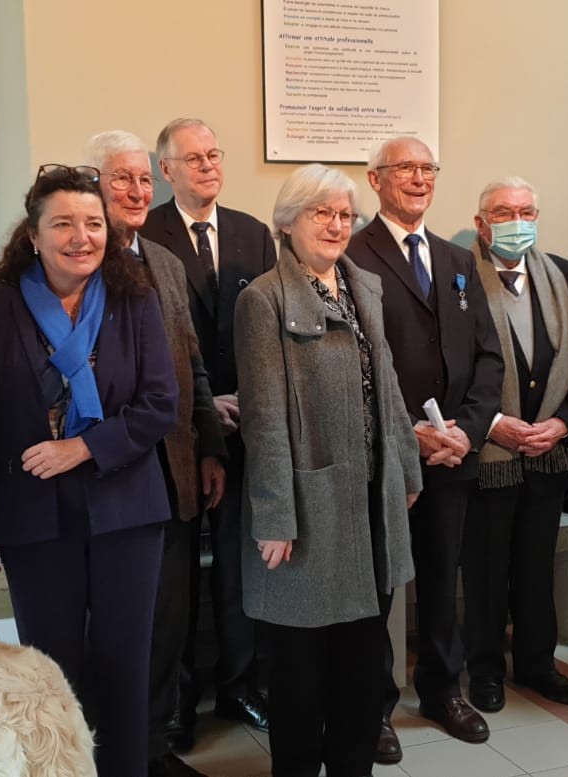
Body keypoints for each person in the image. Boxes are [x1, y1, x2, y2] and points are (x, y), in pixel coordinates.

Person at [0, 164, 178, 775]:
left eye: (92, 223)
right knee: (49, 671)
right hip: (35, 515)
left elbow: (161, 404)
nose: (81, 236)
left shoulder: (135, 300)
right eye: (63, 224)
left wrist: (83, 448)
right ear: (33, 234)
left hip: (127, 509)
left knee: (124, 667)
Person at [235, 163, 422, 777]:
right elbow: (263, 418)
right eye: (321, 212)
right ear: (287, 223)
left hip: (370, 503)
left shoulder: (363, 285)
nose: (336, 225)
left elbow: (387, 389)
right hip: (306, 510)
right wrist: (274, 516)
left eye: (344, 214)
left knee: (361, 672)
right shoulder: (262, 299)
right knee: (299, 677)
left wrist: (407, 471)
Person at [346, 136, 504, 762]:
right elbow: (354, 361)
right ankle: (373, 707)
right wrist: (407, 430)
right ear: (375, 179)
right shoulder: (352, 254)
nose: (418, 179)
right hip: (387, 452)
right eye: (404, 169)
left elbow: (489, 356)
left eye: (427, 168)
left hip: (453, 454)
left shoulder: (457, 258)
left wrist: (467, 427)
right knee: (378, 587)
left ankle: (442, 690)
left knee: (443, 579)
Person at [84, 129, 227, 777]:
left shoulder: (166, 262)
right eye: (122, 179)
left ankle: (150, 750)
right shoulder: (71, 260)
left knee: (165, 627)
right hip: (107, 488)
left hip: (173, 480)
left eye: (144, 179)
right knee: (114, 634)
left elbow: (192, 369)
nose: (139, 191)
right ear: (92, 184)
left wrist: (209, 448)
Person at [143, 118, 275, 742]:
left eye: (215, 155)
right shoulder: (145, 233)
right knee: (172, 579)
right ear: (164, 170)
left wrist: (247, 399)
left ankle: (239, 686)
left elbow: (266, 330)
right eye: (192, 159)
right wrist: (204, 402)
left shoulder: (252, 233)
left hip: (245, 428)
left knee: (237, 565)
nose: (207, 166)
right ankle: (175, 702)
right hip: (175, 432)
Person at [460, 177, 568, 714]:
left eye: (527, 210)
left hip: (548, 453)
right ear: (482, 222)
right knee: (486, 570)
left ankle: (537, 664)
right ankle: (485, 669)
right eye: (504, 212)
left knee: (538, 568)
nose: (517, 221)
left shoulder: (561, 275)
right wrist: (490, 425)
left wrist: (562, 423)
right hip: (490, 457)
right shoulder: (458, 277)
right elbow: (449, 367)